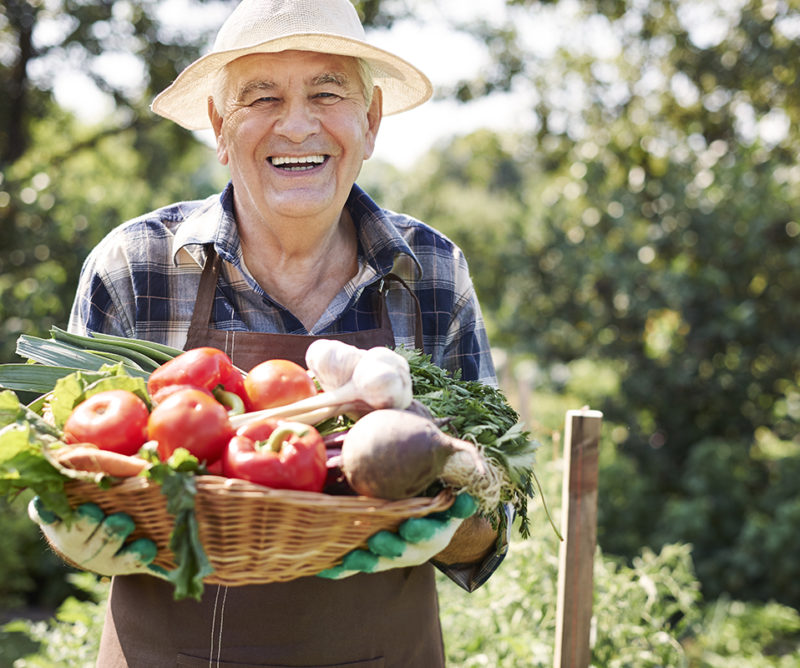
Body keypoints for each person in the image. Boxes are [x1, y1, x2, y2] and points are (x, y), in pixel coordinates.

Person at [34, 0, 509, 665]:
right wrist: (70, 529)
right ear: (219, 127)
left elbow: (492, 524)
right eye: (261, 97)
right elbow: (68, 479)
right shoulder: (134, 265)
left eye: (326, 92)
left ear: (370, 123)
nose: (295, 124)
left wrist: (450, 519)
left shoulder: (432, 273)